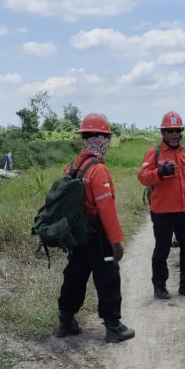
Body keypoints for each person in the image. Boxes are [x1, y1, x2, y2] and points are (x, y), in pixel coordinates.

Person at [54, 113, 136, 344]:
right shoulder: (98, 170)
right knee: (108, 279)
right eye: (105, 138)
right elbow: (106, 209)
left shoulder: (71, 167)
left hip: (77, 234)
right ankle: (113, 327)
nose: (106, 143)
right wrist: (116, 241)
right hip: (97, 235)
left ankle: (65, 322)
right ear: (100, 139)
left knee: (75, 276)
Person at [138, 111, 185, 299]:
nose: (174, 134)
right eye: (169, 130)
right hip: (162, 212)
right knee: (162, 250)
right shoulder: (154, 152)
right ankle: (159, 286)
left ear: (181, 131)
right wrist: (159, 172)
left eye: (177, 130)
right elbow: (142, 177)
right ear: (163, 133)